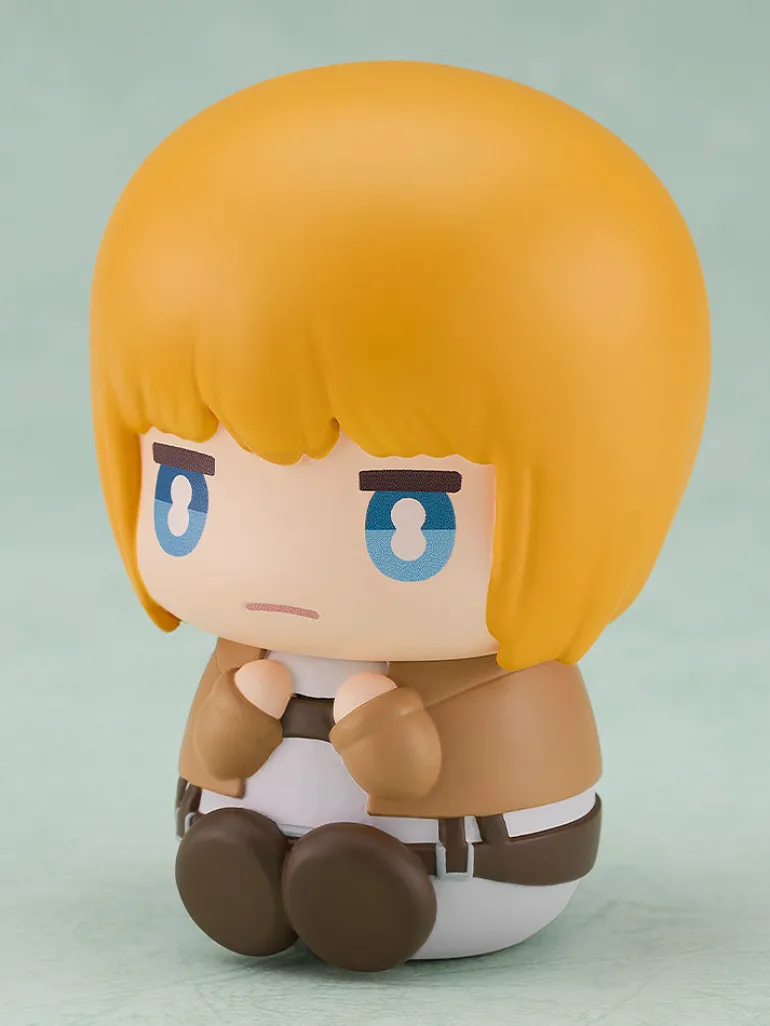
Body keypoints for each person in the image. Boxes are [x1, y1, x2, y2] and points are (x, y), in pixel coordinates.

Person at [90, 60, 710, 972]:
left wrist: (385, 735)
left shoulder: (497, 678)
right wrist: (237, 719)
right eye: (191, 488)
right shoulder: (251, 650)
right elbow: (221, 746)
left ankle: (357, 893)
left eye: (406, 513)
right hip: (250, 838)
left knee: (375, 873)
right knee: (244, 847)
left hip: (466, 863)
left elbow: (420, 768)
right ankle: (249, 874)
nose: (276, 565)